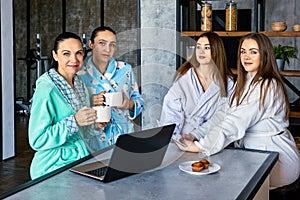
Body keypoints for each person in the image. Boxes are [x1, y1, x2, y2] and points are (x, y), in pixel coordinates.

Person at [174, 33, 300, 190]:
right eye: (243, 51)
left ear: (265, 55)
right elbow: (223, 114)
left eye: (253, 52)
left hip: (275, 158)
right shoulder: (245, 81)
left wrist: (201, 146)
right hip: (252, 154)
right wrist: (196, 135)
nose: (246, 56)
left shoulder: (268, 86)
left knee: (218, 184)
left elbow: (234, 122)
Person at [28, 32, 99, 179]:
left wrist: (96, 125)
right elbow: (37, 140)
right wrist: (74, 121)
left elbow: (82, 132)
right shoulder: (47, 90)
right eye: (66, 53)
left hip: (79, 160)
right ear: (55, 55)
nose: (74, 59)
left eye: (79, 53)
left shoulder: (79, 83)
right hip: (52, 166)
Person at [78, 26, 144, 150]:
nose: (107, 49)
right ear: (91, 44)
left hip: (123, 138)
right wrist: (91, 101)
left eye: (112, 45)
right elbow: (71, 109)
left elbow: (140, 102)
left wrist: (128, 104)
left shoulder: (125, 70)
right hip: (93, 141)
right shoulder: (80, 74)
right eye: (102, 43)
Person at [159, 32, 235, 139]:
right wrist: (177, 139)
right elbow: (170, 115)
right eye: (198, 47)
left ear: (217, 51)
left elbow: (227, 116)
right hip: (184, 138)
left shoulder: (227, 83)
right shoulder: (184, 80)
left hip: (212, 139)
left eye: (207, 48)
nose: (201, 51)